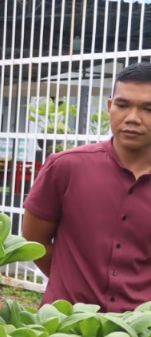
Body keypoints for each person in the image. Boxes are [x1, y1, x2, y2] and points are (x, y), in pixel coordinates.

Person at [23, 63, 151, 310]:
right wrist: (68, 285)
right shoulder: (66, 167)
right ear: (109, 107)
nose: (132, 118)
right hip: (64, 323)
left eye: (148, 109)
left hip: (139, 329)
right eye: (122, 105)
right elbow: (34, 241)